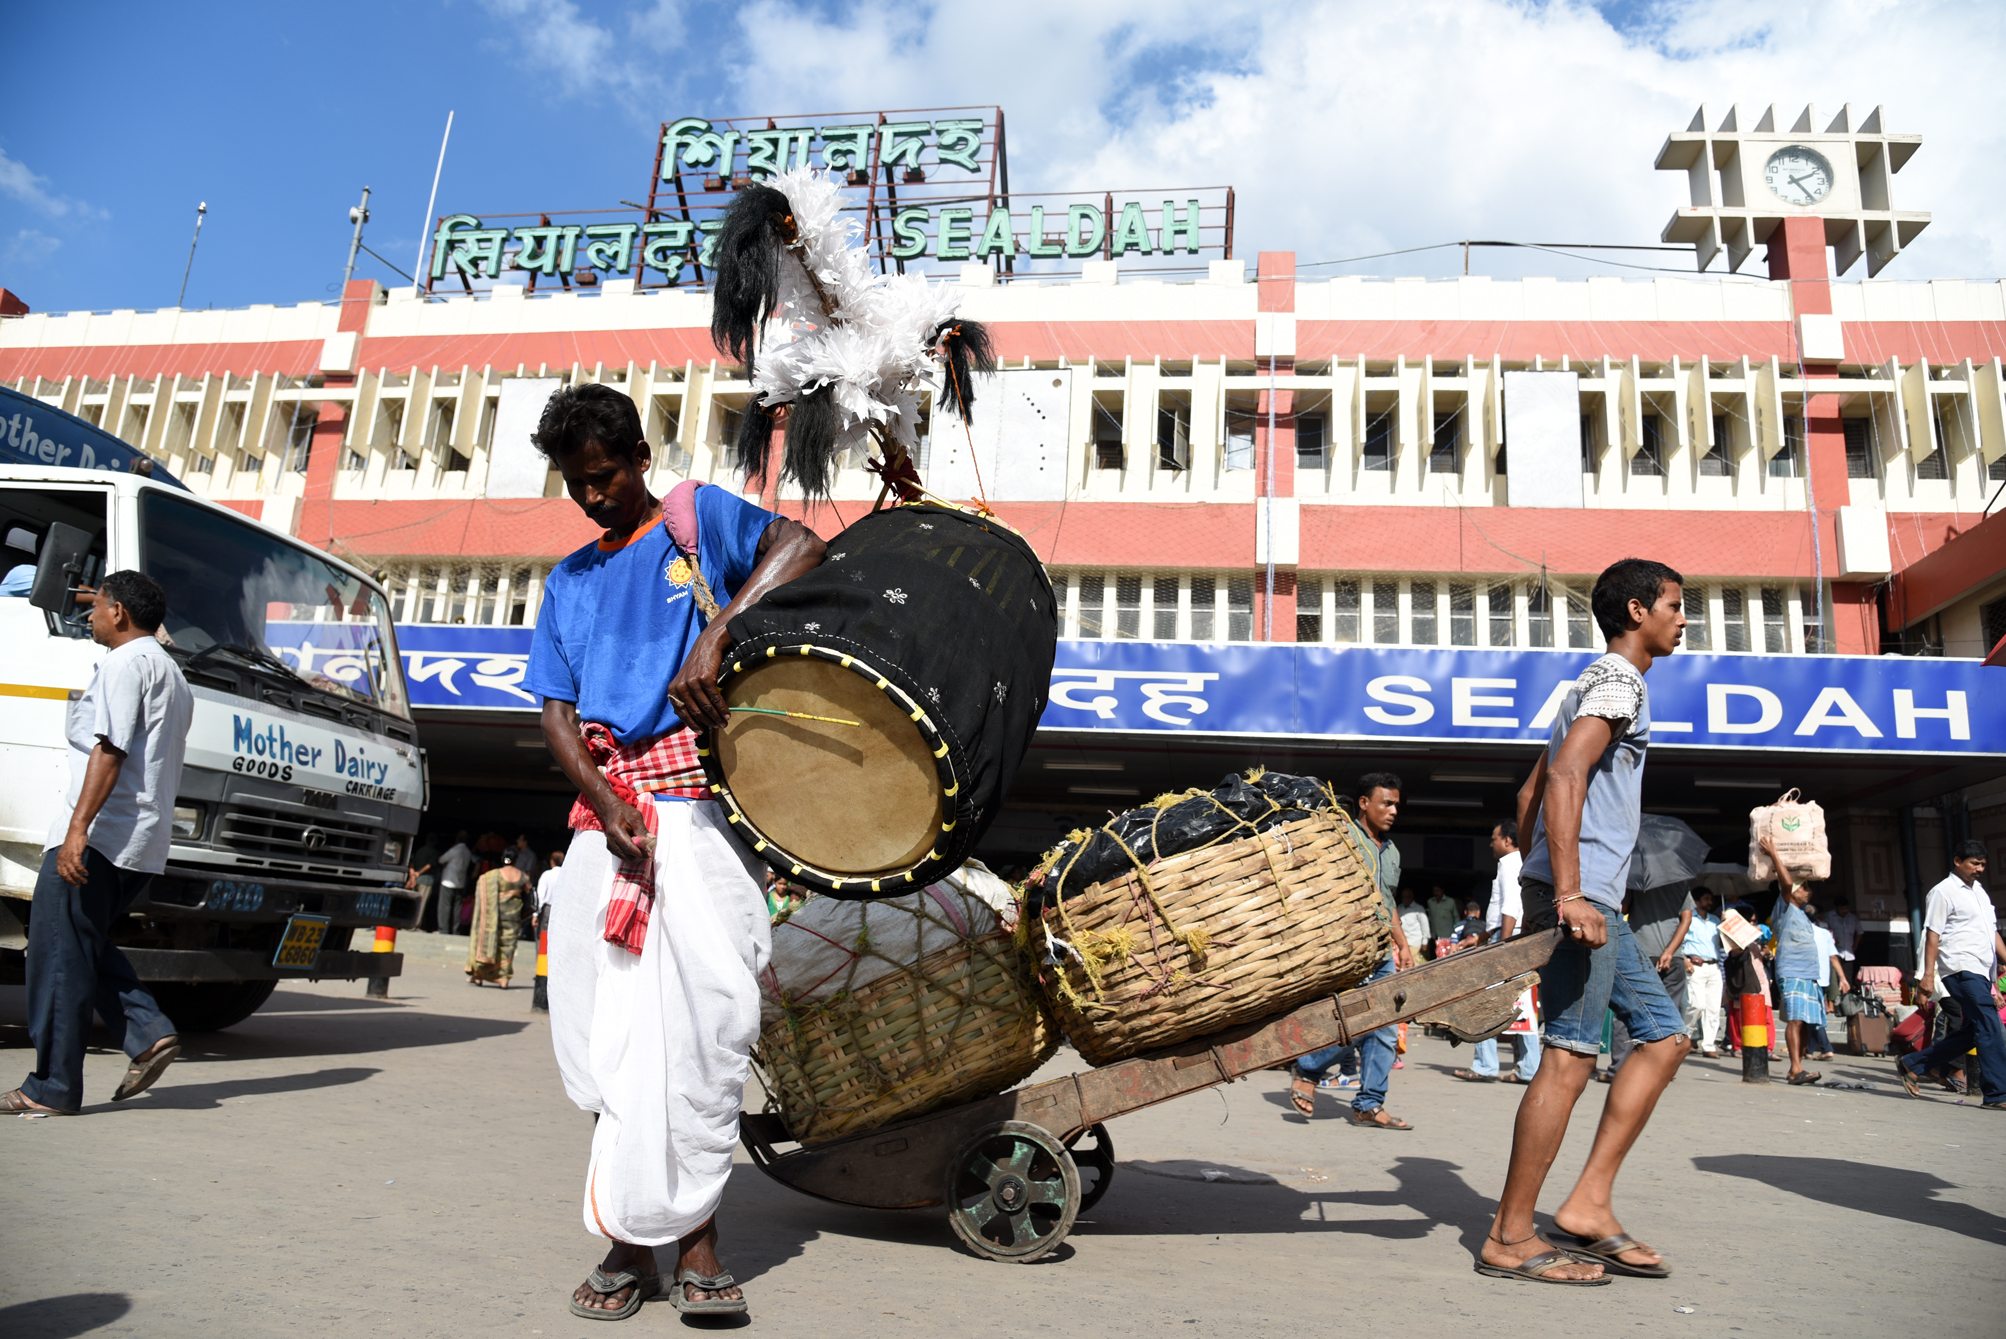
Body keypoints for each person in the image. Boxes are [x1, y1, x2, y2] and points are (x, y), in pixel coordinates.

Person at [529, 383, 824, 1318]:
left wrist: (721, 634)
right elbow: (557, 712)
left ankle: (697, 1244)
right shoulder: (567, 580)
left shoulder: (696, 520)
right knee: (605, 1040)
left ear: (639, 459)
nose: (591, 497)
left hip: (699, 816)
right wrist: (605, 799)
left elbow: (803, 548)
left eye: (605, 477)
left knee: (702, 1033)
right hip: (603, 827)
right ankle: (627, 1241)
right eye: (576, 484)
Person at [1478, 558, 1689, 1286]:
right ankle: (1509, 1235)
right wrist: (1564, 893)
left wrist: (1543, 875)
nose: (1682, 617)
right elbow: (1563, 776)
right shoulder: (1618, 680)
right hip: (1584, 898)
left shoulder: (1590, 683)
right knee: (1568, 1056)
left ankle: (1588, 1205)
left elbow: (1532, 786)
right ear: (1637, 610)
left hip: (1588, 893)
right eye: (1674, 604)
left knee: (1664, 1035)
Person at [3, 572, 191, 1116]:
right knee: (78, 943)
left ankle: (52, 1088)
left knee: (57, 953)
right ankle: (148, 1031)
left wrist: (77, 830)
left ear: (120, 613)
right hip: (140, 841)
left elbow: (110, 749)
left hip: (101, 836)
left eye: (98, 606)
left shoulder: (124, 664)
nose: (90, 616)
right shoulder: (171, 672)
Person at [1287, 772, 1417, 1129]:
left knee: (1386, 1027)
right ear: (1364, 803)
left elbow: (1387, 901)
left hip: (1380, 950)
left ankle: (1369, 1104)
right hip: (1345, 948)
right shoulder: (1341, 838)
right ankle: (1309, 1068)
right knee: (1357, 1021)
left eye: (1395, 805)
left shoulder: (1391, 852)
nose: (1392, 811)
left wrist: (1402, 944)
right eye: (1385, 803)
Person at [1897, 842, 2006, 1108]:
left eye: (1982, 864)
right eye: (1974, 863)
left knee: (1974, 1031)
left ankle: (1913, 1064)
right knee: (1992, 1027)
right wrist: (1927, 976)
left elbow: (1991, 934)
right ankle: (1997, 1094)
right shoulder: (1942, 892)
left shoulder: (1979, 893)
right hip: (1959, 968)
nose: (1979, 869)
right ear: (1958, 861)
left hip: (1981, 970)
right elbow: (1933, 934)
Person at [1456, 819, 1541, 1085]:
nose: (1491, 843)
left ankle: (1485, 1065)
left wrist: (1503, 947)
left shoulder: (1509, 865)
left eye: (1494, 838)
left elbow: (1511, 908)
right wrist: (1481, 937)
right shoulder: (1521, 863)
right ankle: (1528, 1067)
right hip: (1510, 939)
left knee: (1488, 1003)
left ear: (1507, 840)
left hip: (1508, 941)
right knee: (1521, 1004)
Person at [1606, 882, 1693, 1079]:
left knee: (1626, 1011)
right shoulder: (1680, 884)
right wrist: (1670, 951)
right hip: (1673, 956)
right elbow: (1686, 919)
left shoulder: (1636, 883)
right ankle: (1664, 1068)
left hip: (1639, 952)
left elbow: (1623, 909)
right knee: (1669, 1011)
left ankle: (1618, 1068)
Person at [1764, 833, 1826, 1086]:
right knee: (1795, 1019)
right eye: (1805, 888)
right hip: (1791, 971)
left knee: (1803, 1022)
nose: (1808, 892)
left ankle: (1797, 1066)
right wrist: (1774, 854)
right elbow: (1786, 884)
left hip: (1807, 973)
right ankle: (1795, 1069)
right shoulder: (1785, 907)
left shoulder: (1802, 914)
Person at [467, 850, 532, 987]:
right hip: (513, 918)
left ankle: (479, 975)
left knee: (489, 943)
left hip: (494, 917)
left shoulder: (493, 876)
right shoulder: (523, 877)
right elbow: (529, 894)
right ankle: (504, 978)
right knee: (508, 947)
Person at [1680, 887, 1726, 1056]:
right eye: (1706, 899)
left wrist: (1726, 923)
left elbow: (1725, 943)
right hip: (1695, 965)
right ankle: (1686, 1037)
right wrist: (1685, 960)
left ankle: (1709, 1045)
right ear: (1697, 901)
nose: (1710, 902)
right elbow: (1680, 940)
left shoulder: (1715, 920)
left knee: (1713, 1008)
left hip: (1714, 966)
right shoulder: (1688, 918)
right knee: (1696, 1004)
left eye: (1710, 899)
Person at [1809, 911, 1850, 1059]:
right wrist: (1843, 978)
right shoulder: (1824, 933)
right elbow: (1833, 957)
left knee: (1815, 1015)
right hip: (1823, 979)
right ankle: (1809, 1050)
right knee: (1815, 1012)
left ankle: (1827, 1048)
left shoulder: (1802, 933)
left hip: (1808, 978)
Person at [435, 831, 475, 935]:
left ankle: (443, 929)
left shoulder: (455, 850)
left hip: (448, 881)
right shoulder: (468, 852)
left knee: (445, 906)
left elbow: (441, 860)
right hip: (460, 883)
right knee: (457, 908)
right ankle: (455, 930)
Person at [535, 848, 566, 936]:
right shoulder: (566, 875)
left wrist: (535, 914)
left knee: (545, 934)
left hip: (547, 909)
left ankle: (544, 950)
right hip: (562, 909)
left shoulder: (547, 874)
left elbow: (540, 895)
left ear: (552, 861)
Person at [1426, 883, 1458, 955]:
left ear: (1442, 891)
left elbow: (1456, 917)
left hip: (1448, 935)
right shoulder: (1430, 902)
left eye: (1438, 890)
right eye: (1434, 891)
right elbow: (1430, 918)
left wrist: (1456, 933)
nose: (1436, 893)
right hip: (1435, 936)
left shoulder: (1450, 902)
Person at [1398, 889, 1430, 959]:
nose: (1405, 899)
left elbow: (1425, 926)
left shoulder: (1418, 909)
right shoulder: (1399, 908)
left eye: (1407, 897)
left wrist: (1425, 942)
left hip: (1415, 943)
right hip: (1402, 943)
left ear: (1411, 897)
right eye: (1403, 897)